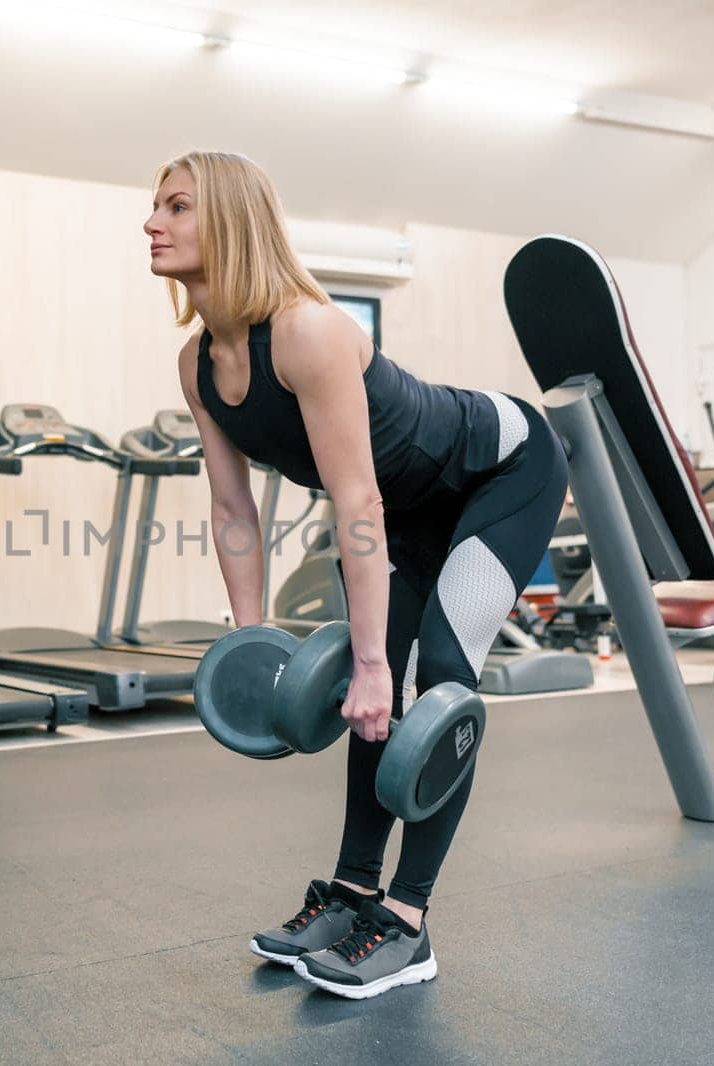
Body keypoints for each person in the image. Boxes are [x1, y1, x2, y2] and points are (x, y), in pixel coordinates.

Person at [145, 152, 567, 999]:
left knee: (433, 679)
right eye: (154, 207)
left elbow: (356, 504)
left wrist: (374, 660)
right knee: (367, 704)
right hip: (404, 509)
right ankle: (353, 891)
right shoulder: (197, 365)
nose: (153, 223)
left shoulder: (309, 332)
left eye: (177, 206)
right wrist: (251, 640)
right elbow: (235, 510)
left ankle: (407, 924)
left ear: (230, 219)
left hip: (501, 474)